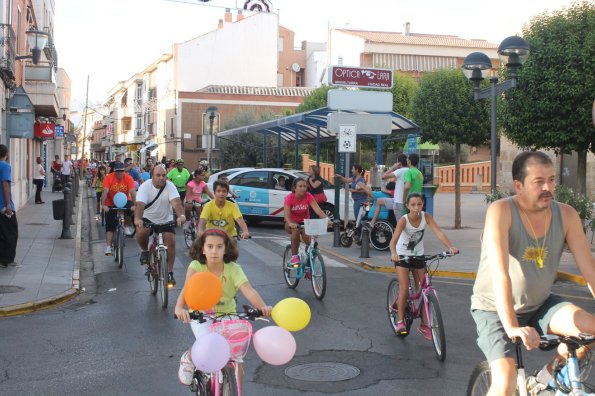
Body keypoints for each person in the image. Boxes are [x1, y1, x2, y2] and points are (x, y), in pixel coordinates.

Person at [470, 151, 595, 396]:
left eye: (551, 180)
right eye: (539, 182)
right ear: (519, 186)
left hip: (539, 304)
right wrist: (512, 326)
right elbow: (500, 274)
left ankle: (543, 379)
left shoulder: (566, 215)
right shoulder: (501, 211)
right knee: (505, 383)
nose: (548, 187)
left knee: (590, 330)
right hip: (494, 309)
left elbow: (590, 270)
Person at [175, 228, 272, 386]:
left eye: (219, 246)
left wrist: (263, 307)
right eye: (210, 246)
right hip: (201, 315)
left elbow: (248, 290)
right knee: (207, 345)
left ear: (226, 249)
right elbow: (187, 289)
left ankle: (235, 389)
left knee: (236, 358)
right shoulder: (196, 266)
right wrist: (179, 308)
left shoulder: (233, 269)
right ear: (203, 249)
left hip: (227, 315)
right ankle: (190, 357)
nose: (214, 251)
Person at [389, 192, 458, 338]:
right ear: (407, 206)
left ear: (423, 205)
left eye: (419, 204)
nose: (416, 208)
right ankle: (400, 321)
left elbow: (438, 232)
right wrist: (394, 254)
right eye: (413, 205)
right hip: (402, 256)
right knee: (405, 289)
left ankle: (424, 325)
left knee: (422, 289)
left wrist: (450, 247)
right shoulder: (404, 220)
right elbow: (393, 241)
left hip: (418, 255)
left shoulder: (426, 217)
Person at [134, 165, 185, 287]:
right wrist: (137, 219)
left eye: (163, 175)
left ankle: (170, 272)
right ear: (152, 176)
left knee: (171, 241)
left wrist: (181, 215)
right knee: (141, 232)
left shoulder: (170, 186)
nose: (161, 178)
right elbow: (140, 205)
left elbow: (176, 203)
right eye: (158, 175)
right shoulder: (145, 187)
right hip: (148, 218)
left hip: (165, 219)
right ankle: (145, 251)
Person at [284, 177, 329, 265]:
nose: (303, 188)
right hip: (291, 223)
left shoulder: (308, 196)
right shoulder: (289, 198)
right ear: (294, 188)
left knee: (313, 244)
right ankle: (294, 257)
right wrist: (290, 223)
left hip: (305, 223)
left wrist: (327, 220)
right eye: (300, 186)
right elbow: (287, 215)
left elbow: (318, 210)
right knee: (296, 231)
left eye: (304, 186)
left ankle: (309, 266)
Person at [101, 162, 136, 256]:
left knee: (132, 210)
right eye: (118, 171)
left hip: (125, 200)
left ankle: (126, 225)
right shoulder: (108, 178)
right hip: (110, 202)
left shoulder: (128, 178)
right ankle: (108, 247)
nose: (120, 173)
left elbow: (133, 192)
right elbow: (105, 192)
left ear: (124, 171)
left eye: (121, 171)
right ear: (114, 171)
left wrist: (136, 205)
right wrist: (103, 205)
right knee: (110, 225)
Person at [0, 145, 17, 267]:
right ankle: (7, 260)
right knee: (11, 232)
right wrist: (8, 205)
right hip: (4, 206)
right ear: (6, 153)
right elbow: (5, 184)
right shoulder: (5, 166)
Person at [382, 153, 409, 221]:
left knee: (400, 225)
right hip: (405, 201)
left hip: (398, 201)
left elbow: (384, 176)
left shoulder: (400, 171)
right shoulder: (409, 170)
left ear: (399, 163)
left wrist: (393, 167)